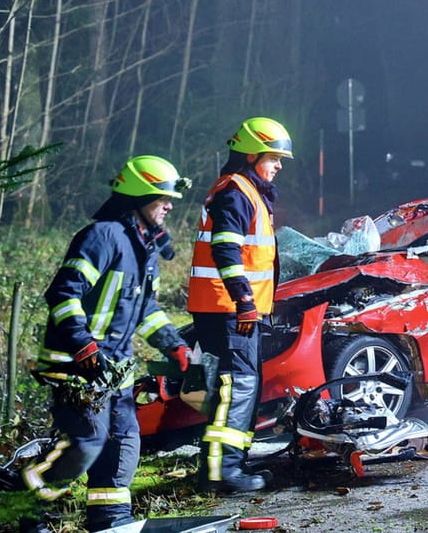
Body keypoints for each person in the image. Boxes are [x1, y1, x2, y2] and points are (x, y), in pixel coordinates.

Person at [23, 156, 191, 532]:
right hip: (75, 364)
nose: (169, 206)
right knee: (87, 441)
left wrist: (173, 345)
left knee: (124, 443)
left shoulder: (144, 248)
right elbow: (64, 293)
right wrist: (83, 345)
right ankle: (26, 505)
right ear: (138, 198)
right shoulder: (102, 236)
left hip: (113, 369)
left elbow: (145, 309)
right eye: (162, 198)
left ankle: (110, 519)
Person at [188, 116, 292, 492]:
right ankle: (223, 472)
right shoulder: (237, 192)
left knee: (236, 385)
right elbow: (226, 250)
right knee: (239, 386)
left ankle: (228, 466)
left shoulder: (244, 190)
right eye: (274, 158)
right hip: (229, 309)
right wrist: (245, 301)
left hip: (227, 308)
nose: (279, 166)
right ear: (251, 155)